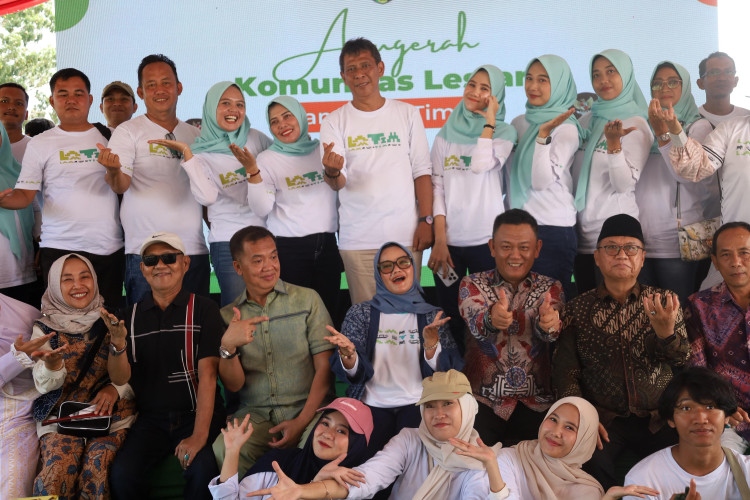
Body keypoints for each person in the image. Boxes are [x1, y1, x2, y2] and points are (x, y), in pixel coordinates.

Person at [553, 213, 690, 490]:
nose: (621, 254)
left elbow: (682, 360)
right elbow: (566, 371)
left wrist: (666, 334)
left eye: (631, 248)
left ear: (642, 257)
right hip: (604, 420)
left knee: (678, 474)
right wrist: (583, 418)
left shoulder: (665, 302)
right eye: (611, 247)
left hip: (659, 418)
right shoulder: (577, 309)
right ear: (597, 257)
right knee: (590, 469)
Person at [248, 370, 502, 500]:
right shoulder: (410, 440)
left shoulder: (480, 458)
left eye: (448, 404)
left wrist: (490, 467)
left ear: (467, 407)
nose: (438, 414)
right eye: (430, 406)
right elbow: (364, 480)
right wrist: (302, 491)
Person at [109, 232, 225, 500]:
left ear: (185, 263)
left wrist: (198, 436)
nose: (160, 265)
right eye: (151, 260)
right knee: (123, 475)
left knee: (203, 471)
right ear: (142, 269)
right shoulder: (128, 317)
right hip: (150, 421)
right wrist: (118, 344)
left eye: (169, 258)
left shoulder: (205, 309)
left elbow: (209, 376)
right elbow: (120, 378)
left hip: (196, 416)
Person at [212, 226, 334, 477]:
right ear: (238, 267)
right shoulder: (227, 316)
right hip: (257, 416)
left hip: (308, 411)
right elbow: (234, 385)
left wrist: (301, 422)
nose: (269, 266)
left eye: (273, 256)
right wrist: (228, 346)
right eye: (258, 260)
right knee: (225, 448)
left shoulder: (307, 300)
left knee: (320, 444)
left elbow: (325, 369)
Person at [320, 37, 433, 304]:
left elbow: (421, 171)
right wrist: (332, 172)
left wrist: (426, 221)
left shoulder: (407, 113)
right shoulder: (333, 121)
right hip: (358, 239)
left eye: (365, 66)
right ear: (343, 77)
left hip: (405, 236)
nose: (359, 74)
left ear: (380, 68)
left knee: (409, 315)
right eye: (351, 69)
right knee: (367, 319)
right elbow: (337, 182)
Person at [0, 68, 125, 308]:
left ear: (90, 99)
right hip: (58, 248)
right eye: (63, 94)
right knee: (62, 323)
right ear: (52, 100)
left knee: (107, 321)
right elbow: (24, 195)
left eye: (78, 94)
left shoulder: (112, 137)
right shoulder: (40, 143)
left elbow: (123, 187)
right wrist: (3, 200)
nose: (71, 100)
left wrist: (113, 171)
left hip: (107, 248)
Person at [326, 241, 463, 452]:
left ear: (413, 267)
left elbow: (448, 373)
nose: (396, 270)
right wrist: (349, 357)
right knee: (368, 461)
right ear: (378, 274)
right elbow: (353, 374)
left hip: (419, 404)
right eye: (387, 266)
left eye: (403, 262)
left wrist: (431, 346)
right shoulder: (360, 314)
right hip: (371, 404)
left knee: (415, 458)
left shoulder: (432, 315)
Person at [97, 54, 209, 305]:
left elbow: (205, 194)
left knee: (195, 325)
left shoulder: (195, 135)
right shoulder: (128, 131)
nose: (160, 90)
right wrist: (113, 170)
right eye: (151, 84)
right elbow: (120, 185)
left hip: (192, 250)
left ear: (179, 87)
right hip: (145, 251)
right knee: (144, 326)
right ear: (141, 92)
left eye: (166, 83)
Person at [149, 81, 272, 306]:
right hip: (227, 242)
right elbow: (207, 198)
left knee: (268, 308)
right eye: (225, 103)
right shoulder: (199, 152)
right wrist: (187, 154)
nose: (233, 110)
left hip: (264, 237)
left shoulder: (256, 138)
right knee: (236, 309)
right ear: (211, 107)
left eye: (240, 104)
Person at [30, 254, 136, 499]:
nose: (78, 285)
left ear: (95, 280)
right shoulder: (43, 328)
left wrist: (116, 387)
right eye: (67, 279)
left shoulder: (114, 320)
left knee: (96, 470)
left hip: (111, 417)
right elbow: (43, 385)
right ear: (54, 285)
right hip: (60, 419)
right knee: (55, 472)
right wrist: (53, 366)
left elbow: (132, 376)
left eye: (84, 276)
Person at [428, 64, 516, 352]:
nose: (475, 92)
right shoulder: (444, 135)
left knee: (488, 316)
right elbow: (437, 189)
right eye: (471, 84)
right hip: (449, 246)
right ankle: (454, 371)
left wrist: (489, 122)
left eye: (484, 88)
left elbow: (479, 165)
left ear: (495, 96)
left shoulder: (504, 132)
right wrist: (440, 240)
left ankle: (487, 373)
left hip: (486, 244)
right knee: (449, 315)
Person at [458, 209, 564, 447]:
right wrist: (491, 319)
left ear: (537, 248)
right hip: (482, 402)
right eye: (506, 246)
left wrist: (548, 325)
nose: (515, 255)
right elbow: (477, 323)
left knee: (541, 463)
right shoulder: (471, 284)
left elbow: (551, 331)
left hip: (536, 403)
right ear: (492, 247)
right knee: (471, 463)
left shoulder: (551, 288)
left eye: (524, 247)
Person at [247, 96, 339, 317]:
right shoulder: (267, 159)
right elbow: (261, 209)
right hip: (289, 249)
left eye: (287, 116)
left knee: (329, 315)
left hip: (327, 246)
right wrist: (253, 172)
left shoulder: (323, 151)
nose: (282, 125)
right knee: (294, 318)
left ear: (300, 117)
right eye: (274, 121)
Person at [573, 49, 653, 294]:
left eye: (611, 72)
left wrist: (614, 145)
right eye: (596, 75)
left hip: (615, 237)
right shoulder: (587, 121)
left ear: (626, 75)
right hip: (581, 235)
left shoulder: (636, 123)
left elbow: (623, 184)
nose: (603, 80)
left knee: (618, 310)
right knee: (586, 310)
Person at [638, 61, 714, 305]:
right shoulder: (643, 124)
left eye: (673, 82)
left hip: (680, 239)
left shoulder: (698, 126)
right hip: (640, 238)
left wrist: (665, 133)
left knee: (677, 314)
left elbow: (686, 175)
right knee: (644, 316)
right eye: (657, 83)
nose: (664, 88)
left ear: (686, 85)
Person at [510, 55, 585, 300]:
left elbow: (541, 181)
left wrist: (543, 136)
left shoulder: (566, 128)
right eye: (529, 78)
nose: (533, 86)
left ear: (559, 85)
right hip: (517, 227)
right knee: (517, 306)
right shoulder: (519, 123)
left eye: (543, 80)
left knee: (549, 307)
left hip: (552, 228)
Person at [482, 396, 656, 500]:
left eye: (570, 428)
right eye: (553, 419)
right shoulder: (509, 458)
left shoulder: (588, 491)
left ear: (584, 439)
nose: (556, 432)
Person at [208, 398, 375, 499]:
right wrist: (232, 451)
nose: (327, 434)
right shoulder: (279, 462)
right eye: (325, 423)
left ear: (357, 445)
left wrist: (317, 484)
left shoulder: (355, 487)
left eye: (341, 431)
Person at [624, 366, 750, 500]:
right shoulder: (643, 480)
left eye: (710, 407)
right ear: (671, 419)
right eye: (686, 408)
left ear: (727, 416)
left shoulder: (747, 471)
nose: (701, 419)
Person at [685, 222, 750, 454]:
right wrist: (721, 406)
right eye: (726, 255)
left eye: (744, 253)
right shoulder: (699, 306)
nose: (736, 262)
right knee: (719, 461)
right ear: (715, 261)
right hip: (728, 417)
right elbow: (697, 371)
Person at [0, 293, 42, 498]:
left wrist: (19, 357)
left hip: (17, 414)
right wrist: (15, 358)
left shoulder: (27, 316)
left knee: (13, 483)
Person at [696, 52, 749, 127]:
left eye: (728, 72)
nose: (722, 78)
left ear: (736, 81)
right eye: (714, 72)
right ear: (701, 83)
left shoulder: (747, 117)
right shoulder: (690, 120)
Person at [0, 82, 30, 158]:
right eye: (4, 101)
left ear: (26, 114)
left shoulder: (39, 147)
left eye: (19, 103)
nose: (12, 107)